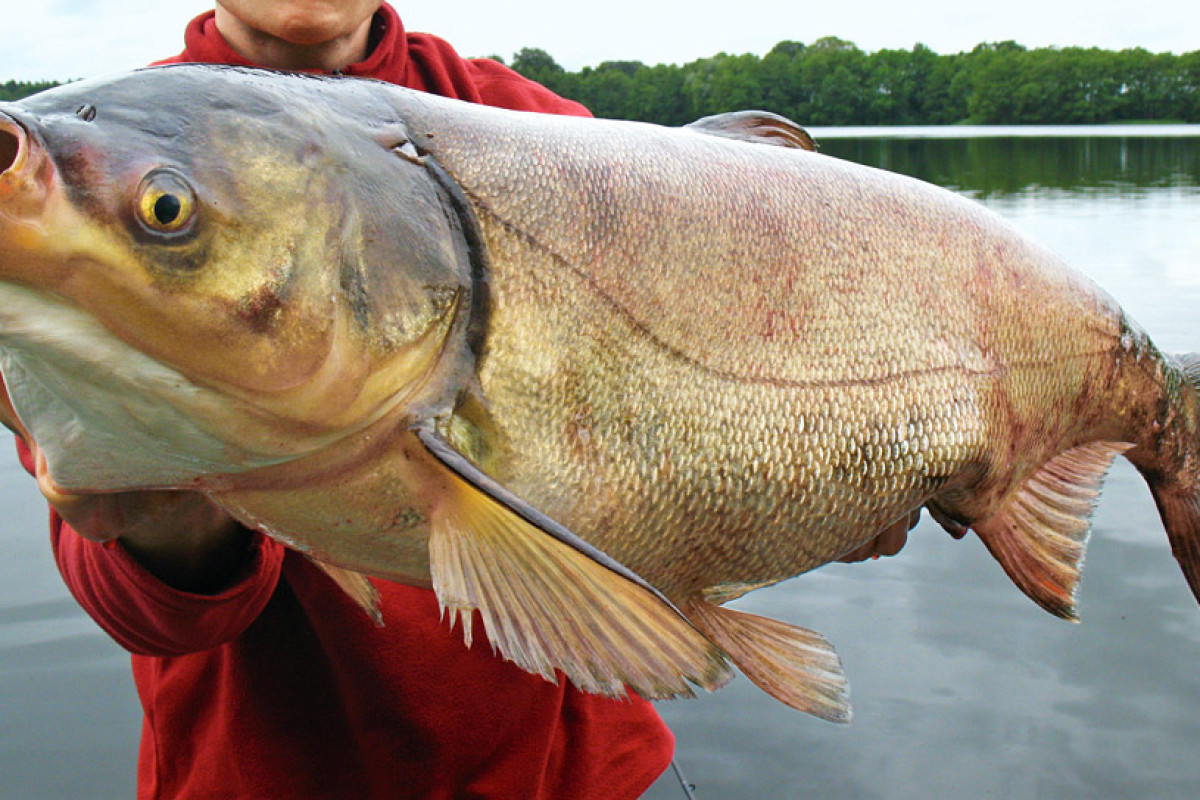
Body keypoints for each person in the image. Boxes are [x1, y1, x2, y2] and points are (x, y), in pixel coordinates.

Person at [13, 3, 920, 797]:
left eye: (171, 212)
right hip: (263, 776)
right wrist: (165, 523)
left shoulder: (533, 123)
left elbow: (704, 397)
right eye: (168, 212)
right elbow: (152, 615)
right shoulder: (101, 161)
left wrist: (849, 470)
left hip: (570, 773)